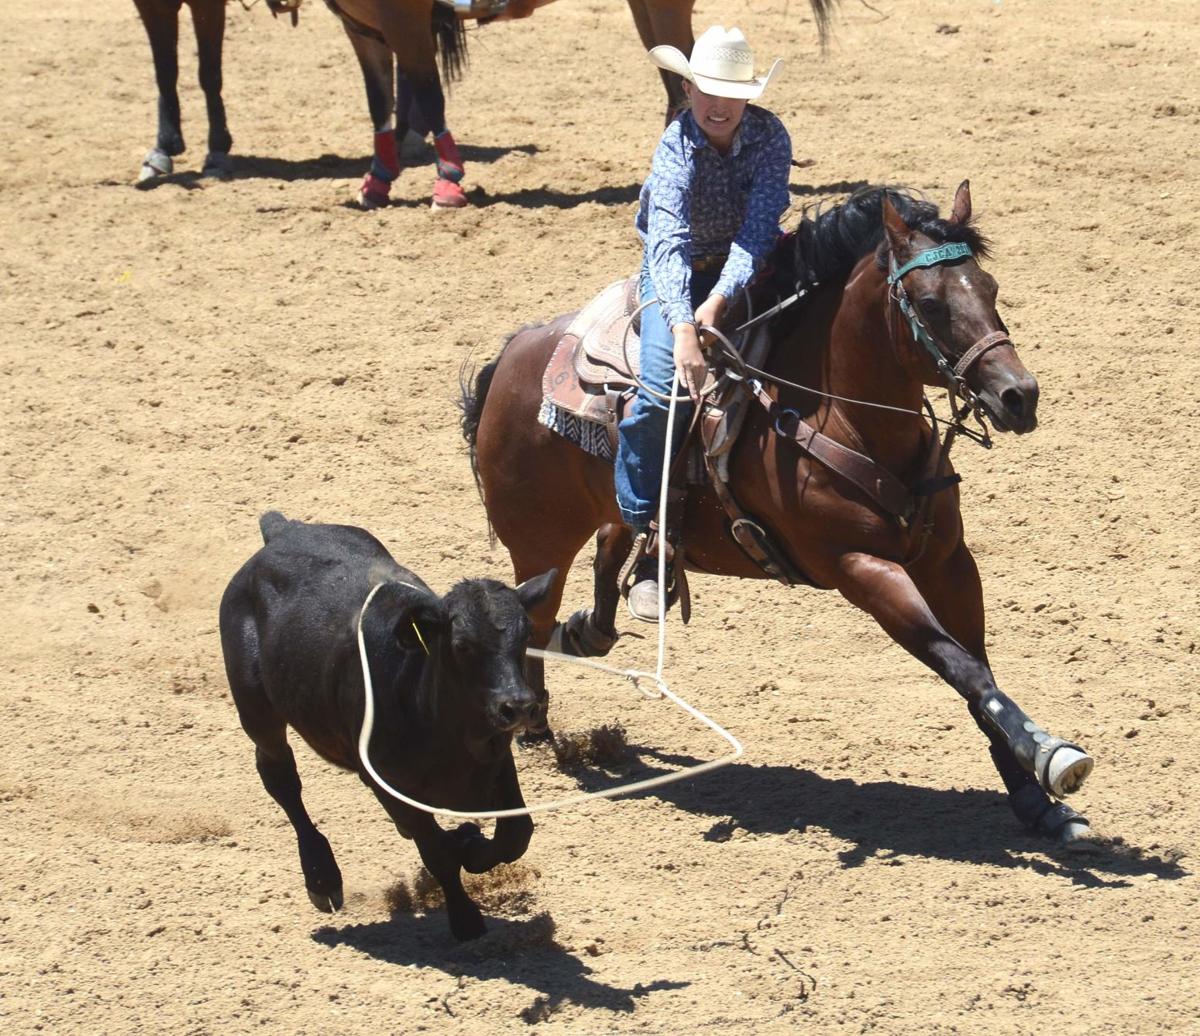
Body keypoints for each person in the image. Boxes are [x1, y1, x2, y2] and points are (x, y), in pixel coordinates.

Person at [615, 26, 792, 621]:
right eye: (704, 90)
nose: (715, 104)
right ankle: (645, 541)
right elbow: (666, 242)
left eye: (729, 92)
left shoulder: (770, 137)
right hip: (678, 274)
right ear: (688, 88)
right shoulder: (676, 143)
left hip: (747, 268)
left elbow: (759, 228)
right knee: (661, 395)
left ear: (749, 95)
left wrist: (719, 299)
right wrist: (685, 324)